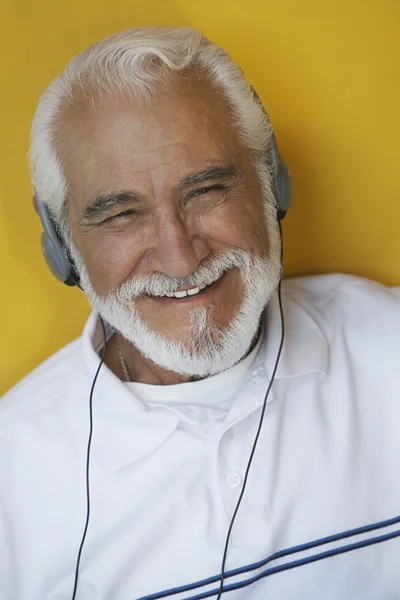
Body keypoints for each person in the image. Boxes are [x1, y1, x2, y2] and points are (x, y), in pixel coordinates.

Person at [1, 26, 399, 600]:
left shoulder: (391, 344)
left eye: (206, 190)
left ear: (273, 185)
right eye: (121, 215)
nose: (180, 257)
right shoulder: (10, 480)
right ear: (62, 248)